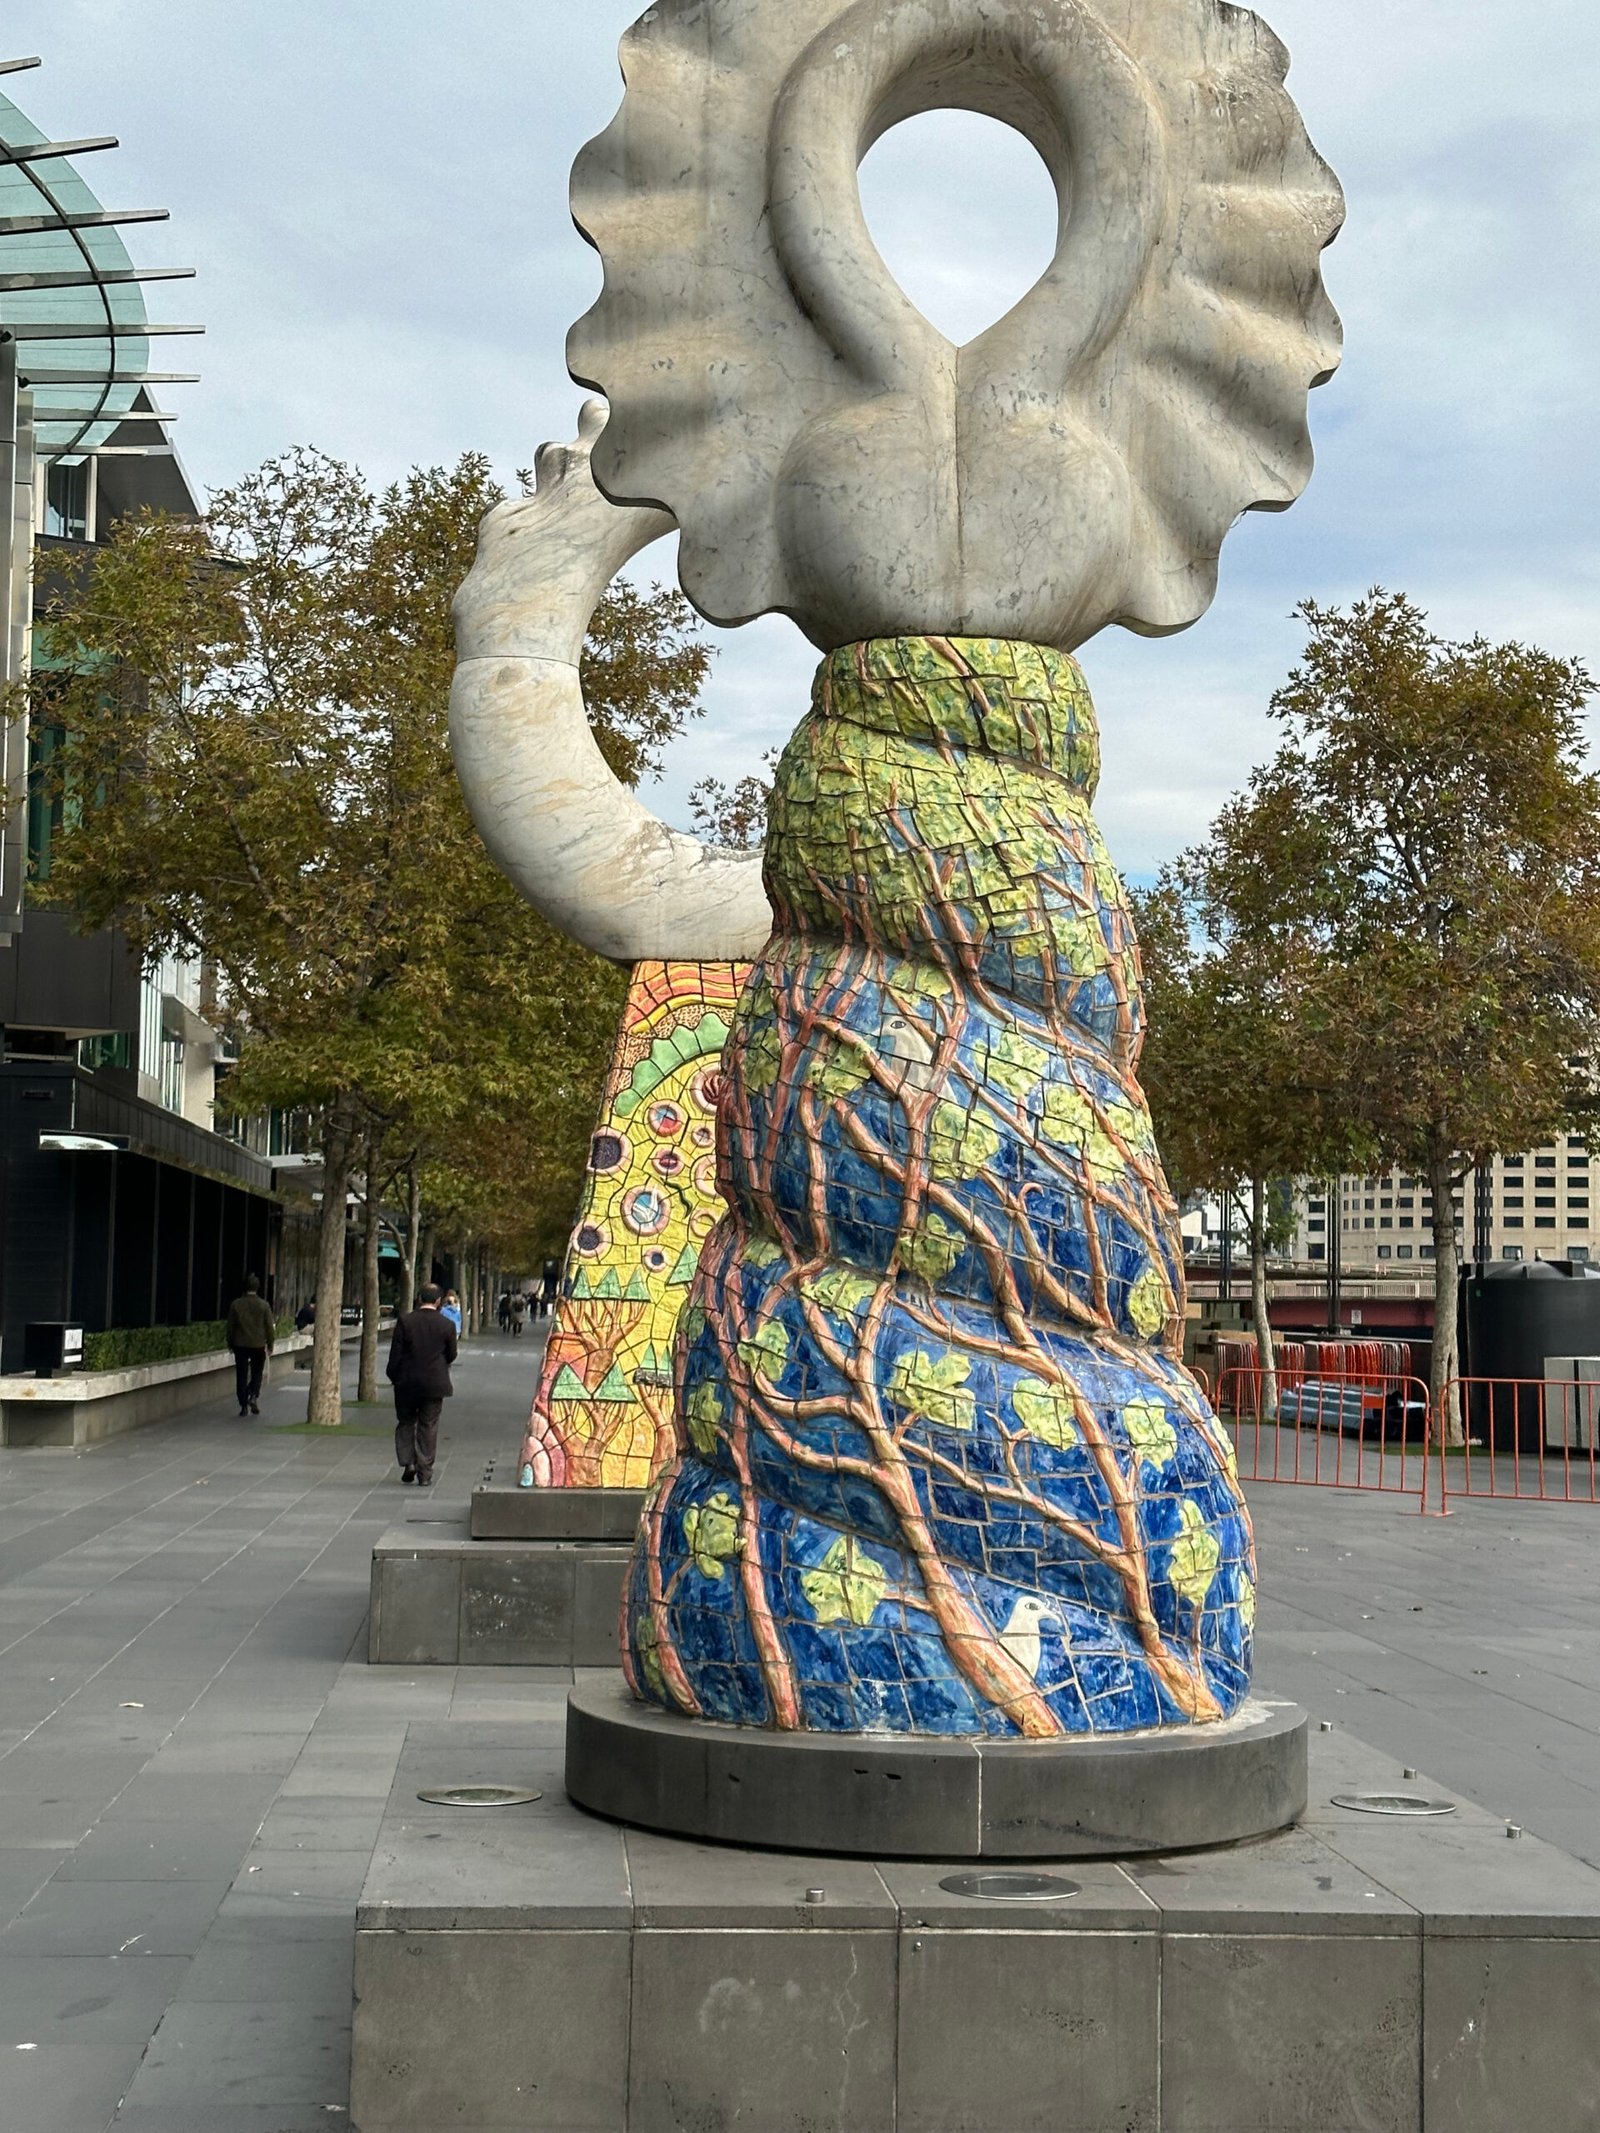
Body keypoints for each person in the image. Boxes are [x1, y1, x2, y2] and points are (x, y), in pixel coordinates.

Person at [386, 1282, 457, 1487]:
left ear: (419, 1299)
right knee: (429, 1425)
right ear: (438, 1301)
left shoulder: (406, 1321)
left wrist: (394, 1376)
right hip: (435, 1383)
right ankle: (425, 1470)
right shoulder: (447, 1325)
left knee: (406, 1421)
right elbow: (451, 1354)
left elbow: (396, 1354)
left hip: (406, 1381)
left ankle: (408, 1462)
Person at [226, 1274, 277, 1417]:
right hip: (258, 1344)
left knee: (241, 1374)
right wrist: (270, 1343)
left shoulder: (236, 1304)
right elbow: (269, 1327)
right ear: (257, 1287)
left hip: (240, 1344)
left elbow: (230, 1326)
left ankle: (243, 1405)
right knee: (257, 1372)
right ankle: (253, 1394)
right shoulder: (264, 1305)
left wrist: (230, 1342)